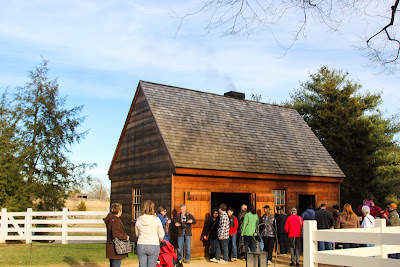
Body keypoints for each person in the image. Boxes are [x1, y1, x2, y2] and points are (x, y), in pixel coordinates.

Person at [135, 200, 165, 267]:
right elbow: (161, 234)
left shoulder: (139, 219)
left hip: (141, 244)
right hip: (153, 244)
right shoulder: (156, 219)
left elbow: (137, 234)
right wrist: (159, 240)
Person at [104, 203, 130, 267]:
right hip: (115, 248)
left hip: (111, 246)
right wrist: (125, 237)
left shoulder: (110, 219)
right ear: (119, 211)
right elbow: (116, 234)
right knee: (116, 265)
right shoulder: (116, 220)